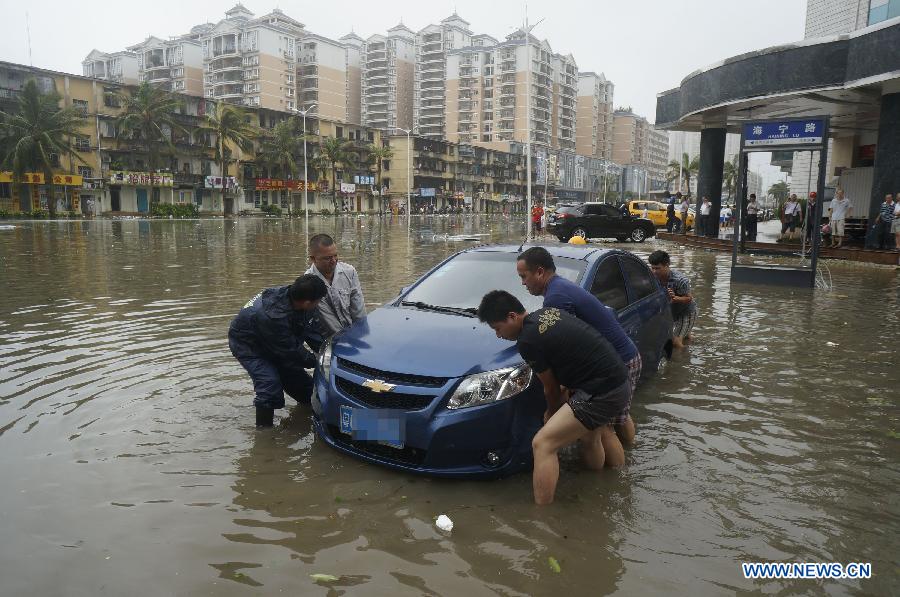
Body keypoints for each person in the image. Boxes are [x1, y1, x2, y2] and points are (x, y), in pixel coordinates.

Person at [477, 290, 630, 505]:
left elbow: (550, 389)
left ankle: (543, 518)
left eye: (498, 328)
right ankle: (608, 487)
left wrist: (550, 413)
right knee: (592, 436)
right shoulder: (548, 313)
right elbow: (571, 353)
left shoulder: (527, 340)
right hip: (618, 380)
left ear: (512, 316)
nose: (498, 335)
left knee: (543, 444)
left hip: (601, 390)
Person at [516, 247, 641, 445]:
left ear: (540, 272)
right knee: (620, 416)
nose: (523, 283)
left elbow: (566, 347)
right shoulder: (561, 287)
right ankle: (630, 455)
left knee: (605, 428)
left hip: (616, 362)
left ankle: (620, 471)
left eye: (524, 276)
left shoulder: (555, 299)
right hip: (624, 356)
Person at [229, 274, 328, 427]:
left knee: (305, 388)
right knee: (269, 384)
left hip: (277, 341)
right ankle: (265, 436)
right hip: (249, 346)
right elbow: (291, 351)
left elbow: (313, 333)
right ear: (308, 302)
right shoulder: (273, 315)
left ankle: (307, 418)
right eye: (318, 301)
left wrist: (328, 354)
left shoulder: (299, 299)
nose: (319, 303)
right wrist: (318, 363)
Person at [305, 234, 367, 342]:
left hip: (353, 334)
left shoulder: (349, 272)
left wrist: (363, 334)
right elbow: (327, 319)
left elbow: (358, 309)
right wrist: (347, 341)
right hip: (326, 341)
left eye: (335, 255)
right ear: (313, 259)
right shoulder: (309, 282)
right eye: (327, 258)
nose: (333, 260)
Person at [648, 250, 697, 349]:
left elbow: (689, 298)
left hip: (686, 312)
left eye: (657, 268)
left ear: (667, 265)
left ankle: (684, 358)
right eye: (652, 268)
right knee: (686, 336)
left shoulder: (680, 280)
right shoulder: (653, 277)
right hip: (673, 312)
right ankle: (692, 346)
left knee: (675, 342)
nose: (654, 271)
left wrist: (675, 298)